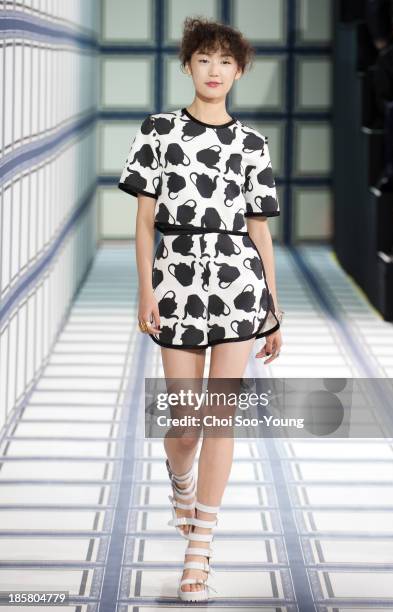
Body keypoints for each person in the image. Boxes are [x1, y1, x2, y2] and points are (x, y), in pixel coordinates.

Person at [118, 16, 284, 602]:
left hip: (238, 281)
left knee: (220, 417)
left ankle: (200, 548)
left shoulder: (253, 143)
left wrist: (273, 305)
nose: (215, 71)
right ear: (188, 65)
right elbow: (143, 222)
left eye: (226, 62)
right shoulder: (158, 130)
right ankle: (180, 482)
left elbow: (259, 229)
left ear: (239, 72)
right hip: (178, 280)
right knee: (184, 424)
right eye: (204, 60)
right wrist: (147, 289)